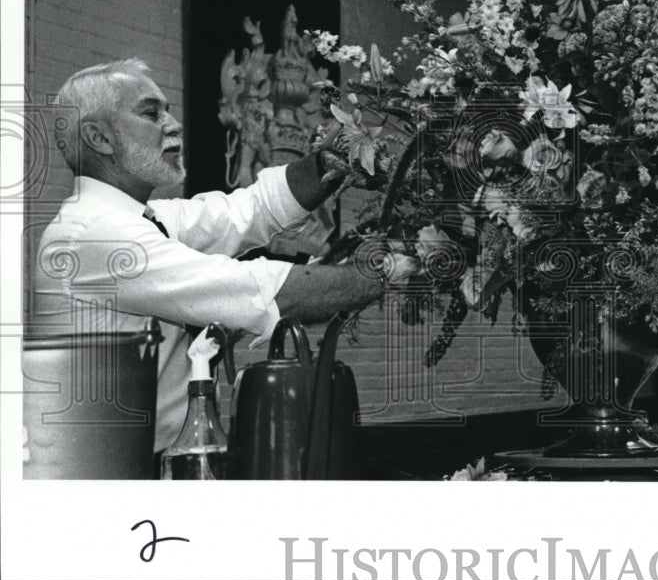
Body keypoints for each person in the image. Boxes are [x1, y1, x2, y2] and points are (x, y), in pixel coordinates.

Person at [33, 58, 414, 454]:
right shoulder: (95, 235)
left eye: (168, 110)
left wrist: (330, 163)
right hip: (103, 479)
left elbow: (247, 211)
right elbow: (261, 290)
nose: (173, 124)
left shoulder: (149, 219)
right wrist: (395, 267)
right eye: (151, 113)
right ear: (100, 138)